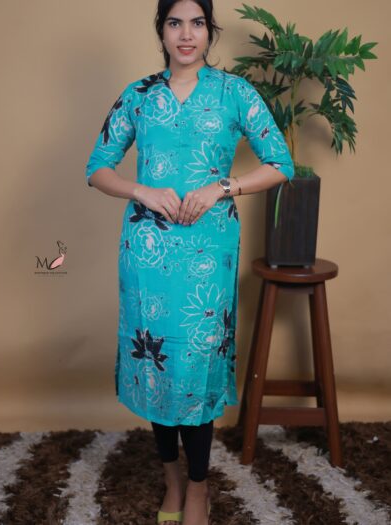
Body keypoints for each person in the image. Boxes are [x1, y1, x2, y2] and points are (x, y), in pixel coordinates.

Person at [85, 1, 294, 523]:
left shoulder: (233, 93)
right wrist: (143, 190)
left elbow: (280, 163)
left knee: (195, 366)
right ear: (161, 31)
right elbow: (98, 167)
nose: (186, 34)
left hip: (208, 253)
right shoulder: (139, 95)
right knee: (158, 364)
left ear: (209, 31)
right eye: (174, 23)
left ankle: (198, 487)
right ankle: (171, 479)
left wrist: (224, 186)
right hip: (147, 253)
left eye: (197, 23)